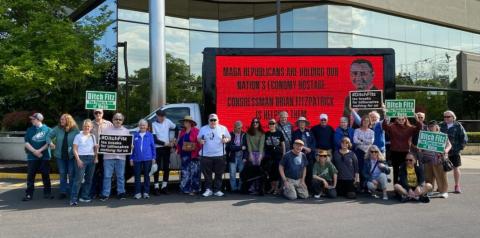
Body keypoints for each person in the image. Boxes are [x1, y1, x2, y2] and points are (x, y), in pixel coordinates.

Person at [47, 113, 80, 199]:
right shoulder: (58, 128)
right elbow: (48, 136)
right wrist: (50, 143)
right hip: (60, 156)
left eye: (63, 119)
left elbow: (80, 141)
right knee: (62, 174)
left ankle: (73, 191)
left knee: (71, 173)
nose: (61, 121)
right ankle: (63, 192)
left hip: (71, 156)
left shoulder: (75, 130)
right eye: (61, 119)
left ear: (68, 120)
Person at [382, 114, 422, 184]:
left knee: (407, 170)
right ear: (396, 119)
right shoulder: (392, 127)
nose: (401, 121)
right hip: (395, 151)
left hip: (405, 152)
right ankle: (396, 188)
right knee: (396, 170)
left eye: (402, 119)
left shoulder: (410, 128)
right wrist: (385, 119)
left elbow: (419, 128)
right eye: (399, 119)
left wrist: (417, 120)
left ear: (405, 119)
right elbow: (385, 127)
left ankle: (406, 186)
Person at [198, 114, 231, 197]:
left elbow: (229, 137)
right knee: (207, 175)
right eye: (211, 120)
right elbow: (198, 138)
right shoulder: (203, 128)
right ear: (208, 121)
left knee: (219, 174)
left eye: (214, 120)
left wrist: (226, 140)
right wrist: (200, 141)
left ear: (218, 120)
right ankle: (208, 190)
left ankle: (217, 190)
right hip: (206, 155)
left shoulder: (223, 128)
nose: (213, 122)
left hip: (219, 155)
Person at [99, 113, 130, 201]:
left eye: (120, 119)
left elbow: (128, 144)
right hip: (108, 157)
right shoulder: (105, 130)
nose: (118, 121)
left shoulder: (126, 131)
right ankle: (105, 194)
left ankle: (121, 193)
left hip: (121, 157)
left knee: (120, 176)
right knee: (107, 176)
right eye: (116, 119)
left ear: (122, 121)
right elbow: (102, 142)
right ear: (113, 120)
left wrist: (130, 147)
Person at [22, 113, 53, 201]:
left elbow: (48, 143)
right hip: (32, 157)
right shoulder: (29, 130)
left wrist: (39, 151)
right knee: (30, 176)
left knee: (45, 175)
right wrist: (35, 152)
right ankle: (29, 194)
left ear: (39, 120)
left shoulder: (48, 130)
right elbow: (26, 143)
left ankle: (47, 193)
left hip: (45, 156)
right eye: (31, 119)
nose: (31, 120)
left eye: (33, 119)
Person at [421, 120, 451, 199]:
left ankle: (443, 191)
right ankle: (429, 190)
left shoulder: (442, 135)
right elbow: (421, 146)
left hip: (439, 159)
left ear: (437, 126)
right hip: (427, 158)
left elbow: (449, 145)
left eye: (432, 126)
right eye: (429, 126)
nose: (431, 128)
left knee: (441, 176)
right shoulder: (425, 135)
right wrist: (420, 149)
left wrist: (446, 150)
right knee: (428, 176)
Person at [70, 119, 98, 206]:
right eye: (85, 126)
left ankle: (84, 196)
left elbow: (95, 149)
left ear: (91, 127)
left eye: (88, 126)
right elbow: (74, 149)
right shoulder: (78, 136)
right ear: (83, 127)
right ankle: (73, 199)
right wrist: (78, 160)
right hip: (81, 158)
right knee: (78, 180)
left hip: (91, 158)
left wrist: (96, 157)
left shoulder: (93, 136)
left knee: (89, 179)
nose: (87, 128)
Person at [439, 110, 468, 194]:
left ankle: (457, 185)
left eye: (448, 117)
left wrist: (459, 148)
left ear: (453, 117)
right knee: (441, 169)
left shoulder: (458, 126)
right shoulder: (441, 125)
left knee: (456, 167)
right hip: (442, 152)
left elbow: (464, 139)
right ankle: (442, 186)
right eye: (445, 117)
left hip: (455, 151)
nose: (446, 118)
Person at [151, 110, 176, 195]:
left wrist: (174, 139)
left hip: (167, 149)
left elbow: (176, 128)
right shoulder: (153, 124)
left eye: (163, 116)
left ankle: (164, 186)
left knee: (166, 167)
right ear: (157, 116)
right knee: (156, 168)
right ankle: (156, 187)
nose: (162, 118)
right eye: (160, 116)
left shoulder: (168, 121)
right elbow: (155, 139)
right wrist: (166, 143)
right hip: (158, 148)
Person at [130, 119, 156, 199]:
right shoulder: (135, 135)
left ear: (147, 126)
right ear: (139, 126)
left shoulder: (150, 135)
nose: (142, 126)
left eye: (144, 125)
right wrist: (131, 158)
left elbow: (153, 147)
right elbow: (131, 149)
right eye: (141, 125)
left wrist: (154, 157)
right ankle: (137, 193)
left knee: (146, 176)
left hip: (148, 158)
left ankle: (146, 192)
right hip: (136, 159)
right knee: (137, 176)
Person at [89, 109, 112, 199]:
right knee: (93, 173)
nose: (98, 114)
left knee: (104, 173)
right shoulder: (90, 124)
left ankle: (103, 192)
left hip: (105, 153)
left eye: (100, 112)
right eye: (96, 112)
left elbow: (113, 136)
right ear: (94, 114)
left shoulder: (109, 124)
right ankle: (93, 192)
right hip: (93, 152)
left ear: (103, 114)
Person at [177, 116, 201, 195]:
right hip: (185, 155)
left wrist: (196, 149)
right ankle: (185, 188)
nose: (185, 123)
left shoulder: (196, 131)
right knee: (185, 172)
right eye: (184, 122)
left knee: (194, 172)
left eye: (187, 122)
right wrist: (177, 148)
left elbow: (199, 142)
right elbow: (179, 143)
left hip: (194, 154)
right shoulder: (182, 131)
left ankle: (195, 189)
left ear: (191, 123)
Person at [292, 116, 316, 192]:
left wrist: (310, 149)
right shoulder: (295, 133)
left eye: (303, 122)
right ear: (298, 124)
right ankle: (299, 188)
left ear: (305, 123)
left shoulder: (309, 132)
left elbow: (313, 142)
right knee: (300, 172)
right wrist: (304, 148)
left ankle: (309, 189)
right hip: (299, 155)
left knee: (309, 172)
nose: (302, 123)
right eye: (300, 122)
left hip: (309, 155)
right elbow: (295, 143)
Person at [264, 118, 285, 194]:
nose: (271, 125)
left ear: (275, 124)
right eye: (270, 123)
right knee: (270, 172)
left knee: (277, 172)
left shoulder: (279, 133)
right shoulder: (266, 134)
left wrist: (284, 154)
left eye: (273, 123)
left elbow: (283, 144)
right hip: (269, 156)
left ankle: (276, 188)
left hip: (278, 155)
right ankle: (272, 187)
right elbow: (264, 145)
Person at [226, 121, 247, 192]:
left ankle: (241, 188)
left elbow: (246, 147)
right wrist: (241, 147)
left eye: (241, 128)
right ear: (234, 127)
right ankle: (234, 188)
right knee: (232, 173)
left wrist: (245, 157)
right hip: (233, 156)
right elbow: (230, 147)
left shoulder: (244, 134)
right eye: (238, 128)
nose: (240, 129)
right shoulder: (230, 134)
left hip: (242, 156)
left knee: (242, 173)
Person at [245, 118, 265, 194]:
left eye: (257, 122)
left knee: (259, 172)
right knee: (252, 172)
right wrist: (250, 154)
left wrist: (260, 156)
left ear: (259, 123)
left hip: (260, 153)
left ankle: (258, 189)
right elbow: (249, 144)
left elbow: (261, 144)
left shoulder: (262, 133)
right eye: (254, 122)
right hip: (251, 153)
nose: (255, 123)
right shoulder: (248, 133)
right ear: (252, 123)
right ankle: (252, 188)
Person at [353, 115, 374, 186]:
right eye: (364, 121)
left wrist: (361, 139)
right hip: (359, 152)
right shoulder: (357, 130)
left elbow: (371, 142)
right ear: (361, 122)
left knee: (367, 169)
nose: (365, 122)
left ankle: (366, 186)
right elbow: (355, 141)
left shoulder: (371, 132)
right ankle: (360, 185)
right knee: (359, 168)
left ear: (369, 122)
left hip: (368, 153)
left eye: (367, 121)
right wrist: (365, 141)